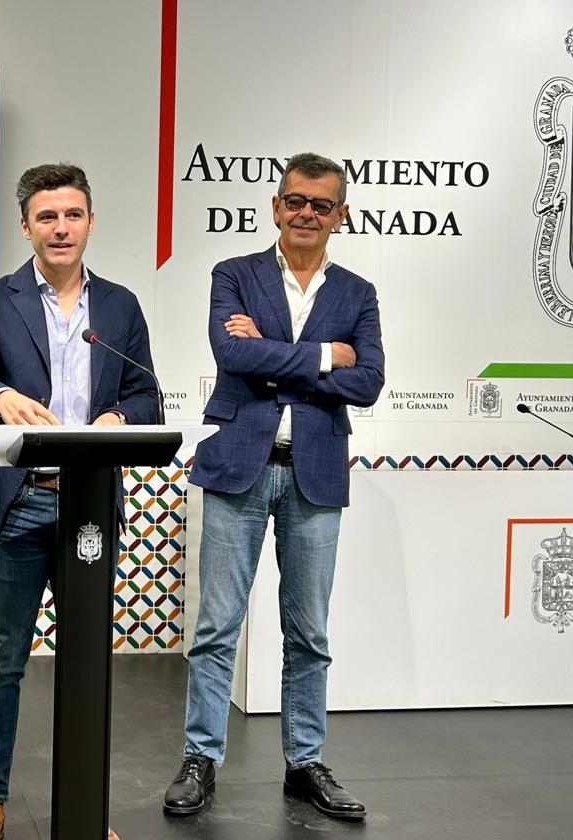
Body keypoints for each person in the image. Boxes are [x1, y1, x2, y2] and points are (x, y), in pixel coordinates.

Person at [162, 153, 384, 821]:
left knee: (309, 631)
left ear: (341, 214)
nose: (306, 213)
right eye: (295, 200)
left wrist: (274, 357)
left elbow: (368, 382)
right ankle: (201, 757)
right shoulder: (234, 274)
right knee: (217, 627)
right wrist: (325, 356)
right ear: (275, 206)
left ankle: (305, 763)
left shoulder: (358, 293)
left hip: (313, 473)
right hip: (239, 467)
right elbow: (233, 356)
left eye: (321, 204)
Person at [0, 163, 158, 840]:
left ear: (90, 221)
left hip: (91, 506)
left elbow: (145, 394)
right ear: (26, 226)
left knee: (87, 660)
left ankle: (86, 807)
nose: (61, 228)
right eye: (47, 217)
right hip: (19, 503)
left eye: (72, 215)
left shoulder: (121, 305)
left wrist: (119, 424)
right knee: (2, 659)